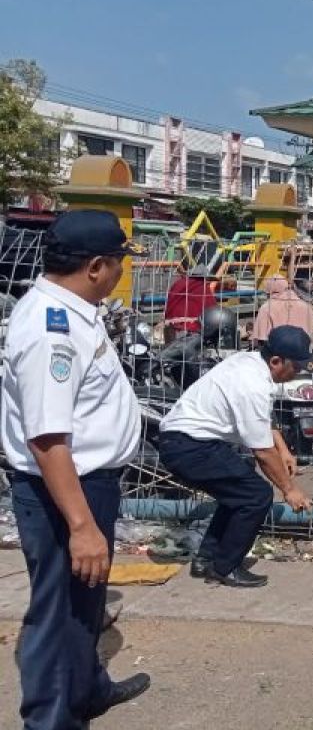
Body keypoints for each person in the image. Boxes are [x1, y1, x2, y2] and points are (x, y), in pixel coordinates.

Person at [1, 210, 151, 726]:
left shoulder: (73, 310)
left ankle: (88, 690)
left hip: (86, 485)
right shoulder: (51, 332)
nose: (120, 274)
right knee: (59, 612)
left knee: (83, 604)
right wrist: (82, 525)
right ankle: (50, 719)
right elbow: (47, 437)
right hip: (65, 492)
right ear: (94, 266)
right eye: (117, 264)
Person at [157, 325, 313, 587]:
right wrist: (290, 490)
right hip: (189, 445)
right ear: (276, 361)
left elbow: (263, 421)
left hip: (188, 441)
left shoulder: (250, 362)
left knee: (239, 493)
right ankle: (225, 567)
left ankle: (207, 559)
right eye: (296, 367)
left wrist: (284, 449)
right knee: (256, 495)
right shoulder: (252, 385)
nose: (297, 373)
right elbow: (263, 453)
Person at [253, 274, 313, 344]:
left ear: (269, 291)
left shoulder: (266, 308)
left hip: (278, 351)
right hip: (303, 351)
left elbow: (262, 338)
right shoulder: (305, 306)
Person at [164, 263, 218, 338]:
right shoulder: (202, 288)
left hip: (171, 326)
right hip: (192, 330)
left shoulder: (178, 283)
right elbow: (212, 310)